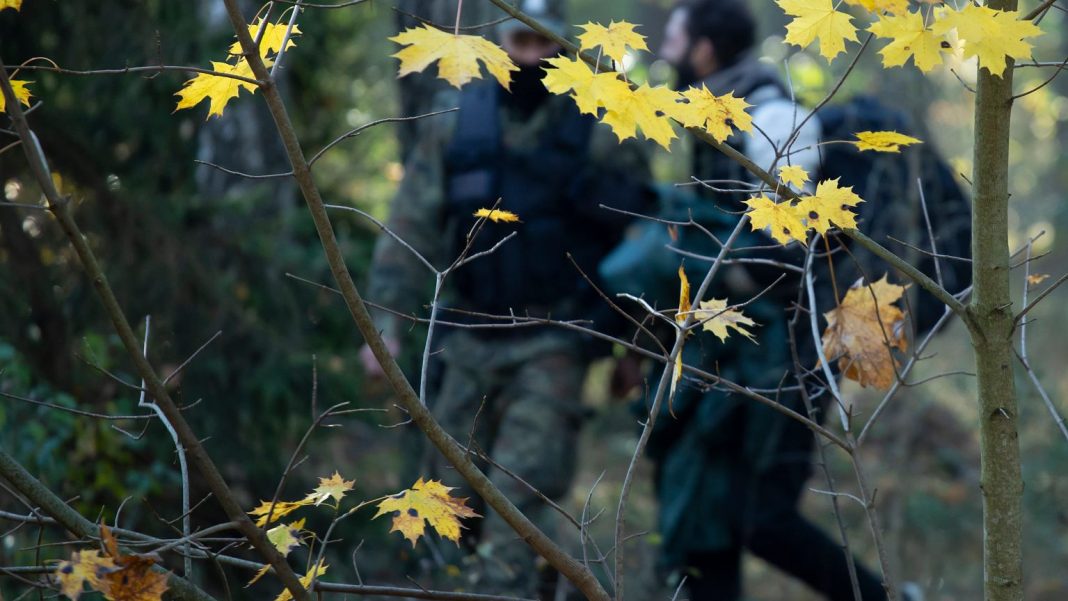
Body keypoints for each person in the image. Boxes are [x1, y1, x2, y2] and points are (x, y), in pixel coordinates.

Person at [361, 0, 654, 596]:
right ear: (500, 43)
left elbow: (640, 236)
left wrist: (636, 344)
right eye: (518, 42)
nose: (530, 56)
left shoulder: (600, 121)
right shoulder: (456, 119)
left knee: (518, 516)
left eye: (541, 43)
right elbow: (411, 222)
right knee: (440, 515)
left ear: (562, 44)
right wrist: (385, 320)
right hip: (466, 341)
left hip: (554, 342)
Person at [639, 0, 903, 599]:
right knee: (712, 514)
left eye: (676, 38)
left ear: (705, 48)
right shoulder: (711, 117)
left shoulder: (774, 119)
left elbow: (801, 247)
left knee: (763, 519)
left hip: (792, 356)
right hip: (732, 355)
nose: (666, 52)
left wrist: (723, 273)